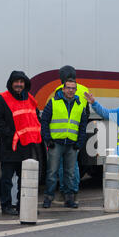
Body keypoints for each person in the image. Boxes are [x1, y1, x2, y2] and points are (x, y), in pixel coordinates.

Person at [0, 71, 42, 215]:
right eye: (16, 82)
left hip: (26, 146)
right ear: (11, 83)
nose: (19, 85)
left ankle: (22, 205)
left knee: (24, 179)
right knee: (7, 179)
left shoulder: (30, 99)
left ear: (25, 84)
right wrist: (12, 134)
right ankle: (6, 206)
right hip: (9, 146)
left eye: (21, 82)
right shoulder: (2, 99)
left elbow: (35, 117)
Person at [41, 79, 88, 208]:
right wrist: (48, 139)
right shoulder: (53, 102)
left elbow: (82, 127)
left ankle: (69, 200)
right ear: (63, 89)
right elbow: (44, 121)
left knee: (70, 173)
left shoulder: (80, 105)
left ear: (76, 90)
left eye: (73, 88)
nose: (71, 90)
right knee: (52, 173)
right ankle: (48, 199)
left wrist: (79, 143)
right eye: (68, 88)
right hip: (56, 143)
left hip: (72, 145)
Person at [55, 66, 90, 205]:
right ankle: (74, 191)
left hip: (63, 132)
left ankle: (65, 192)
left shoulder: (60, 89)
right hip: (77, 132)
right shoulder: (84, 89)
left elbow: (56, 110)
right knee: (73, 164)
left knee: (64, 165)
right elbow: (86, 113)